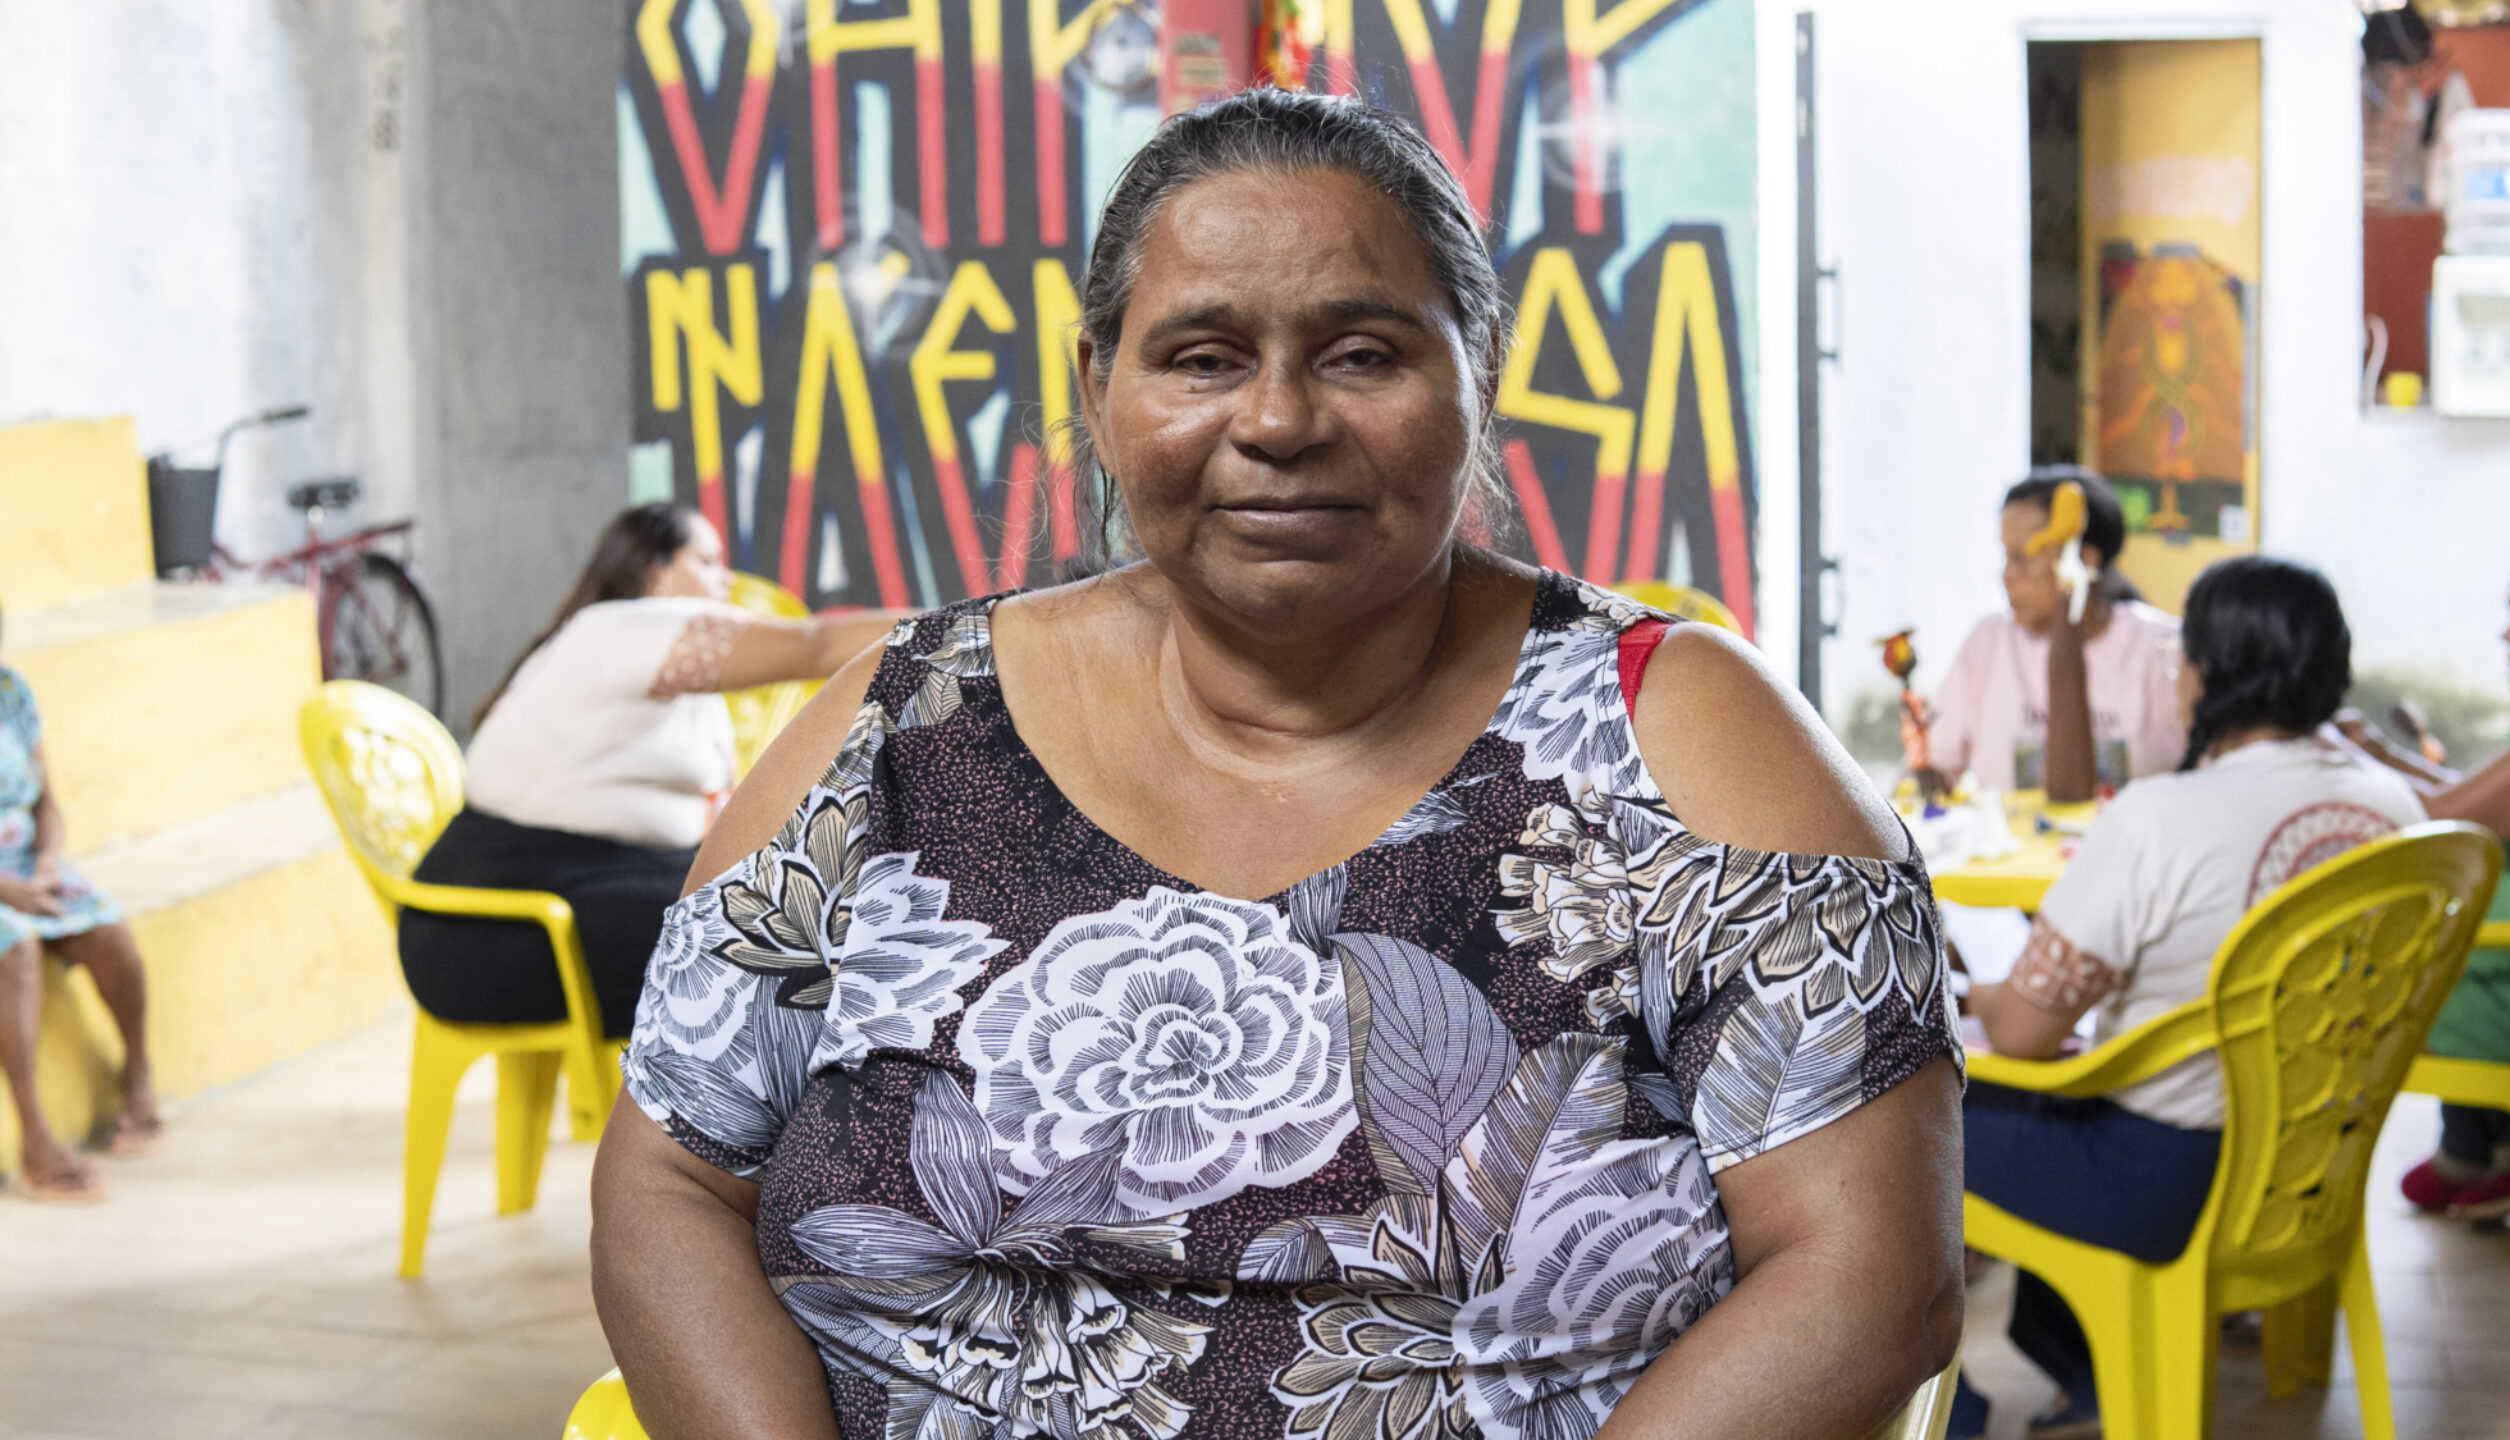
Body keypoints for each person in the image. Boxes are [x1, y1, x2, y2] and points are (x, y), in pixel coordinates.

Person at [591, 90, 1964, 1440]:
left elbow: (1868, 1280)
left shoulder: (1680, 739)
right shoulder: (900, 726)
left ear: (1480, 366)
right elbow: (667, 1182)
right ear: (1099, 388)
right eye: (1202, 358)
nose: (1279, 420)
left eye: (1362, 354)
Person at [1950, 556, 2424, 1440]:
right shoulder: (2392, 807)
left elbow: (2020, 1035)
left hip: (2163, 1181)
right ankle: (2087, 1371)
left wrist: (1959, 993)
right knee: (2073, 1080)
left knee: (1906, 1117)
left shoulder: (2159, 818)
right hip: (2310, 1162)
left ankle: (1953, 1415)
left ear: (2206, 672)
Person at [397, 504, 896, 1041]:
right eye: (706, 561)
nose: (727, 579)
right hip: (493, 925)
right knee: (788, 950)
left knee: (823, 915)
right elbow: (816, 644)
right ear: (654, 575)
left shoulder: (683, 692)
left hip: (585, 888)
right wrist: (954, 629)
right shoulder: (620, 629)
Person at [2339, 536, 2510, 1216]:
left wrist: (2331, 759)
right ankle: (2481, 1150)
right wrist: (2380, 754)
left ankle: (2311, 1198)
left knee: (2349, 970)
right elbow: (2472, 796)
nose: (2505, 634)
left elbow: (2439, 819)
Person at [0, 612, 160, 1202]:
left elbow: (48, 803)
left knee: (109, 929)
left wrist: (46, 864)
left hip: (27, 865)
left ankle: (138, 1071)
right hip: (2, 886)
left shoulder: (11, 692)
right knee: (14, 947)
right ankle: (36, 1139)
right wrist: (8, 891)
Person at [1923, 469, 2186, 804]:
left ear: (2084, 559)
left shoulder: (2163, 647)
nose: (2007, 575)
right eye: (2006, 556)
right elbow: (1935, 767)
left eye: (2022, 559)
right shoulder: (1988, 643)